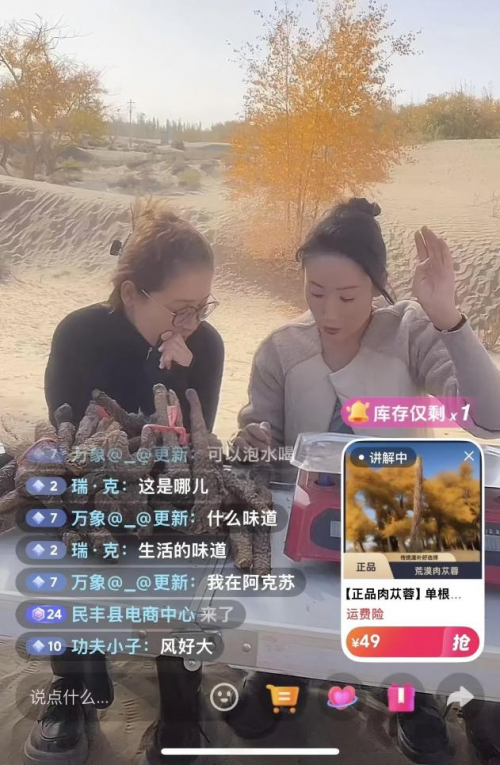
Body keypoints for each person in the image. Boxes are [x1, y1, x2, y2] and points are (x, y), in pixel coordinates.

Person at [230, 197, 500, 763]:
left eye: (348, 296)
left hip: (402, 520)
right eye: (315, 292)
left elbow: (488, 418)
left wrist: (449, 319)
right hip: (310, 524)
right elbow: (262, 447)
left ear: (376, 286)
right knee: (290, 596)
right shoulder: (281, 348)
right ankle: (281, 667)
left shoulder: (412, 332)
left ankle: (415, 693)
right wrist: (254, 439)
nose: (329, 310)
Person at [24, 198, 224, 765]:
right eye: (180, 310)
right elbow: (69, 434)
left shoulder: (204, 345)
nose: (192, 324)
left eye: (202, 308)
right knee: (63, 528)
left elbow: (189, 446)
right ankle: (74, 684)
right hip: (91, 484)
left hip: (165, 489)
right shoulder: (79, 334)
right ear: (132, 292)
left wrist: (171, 376)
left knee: (185, 543)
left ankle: (181, 702)